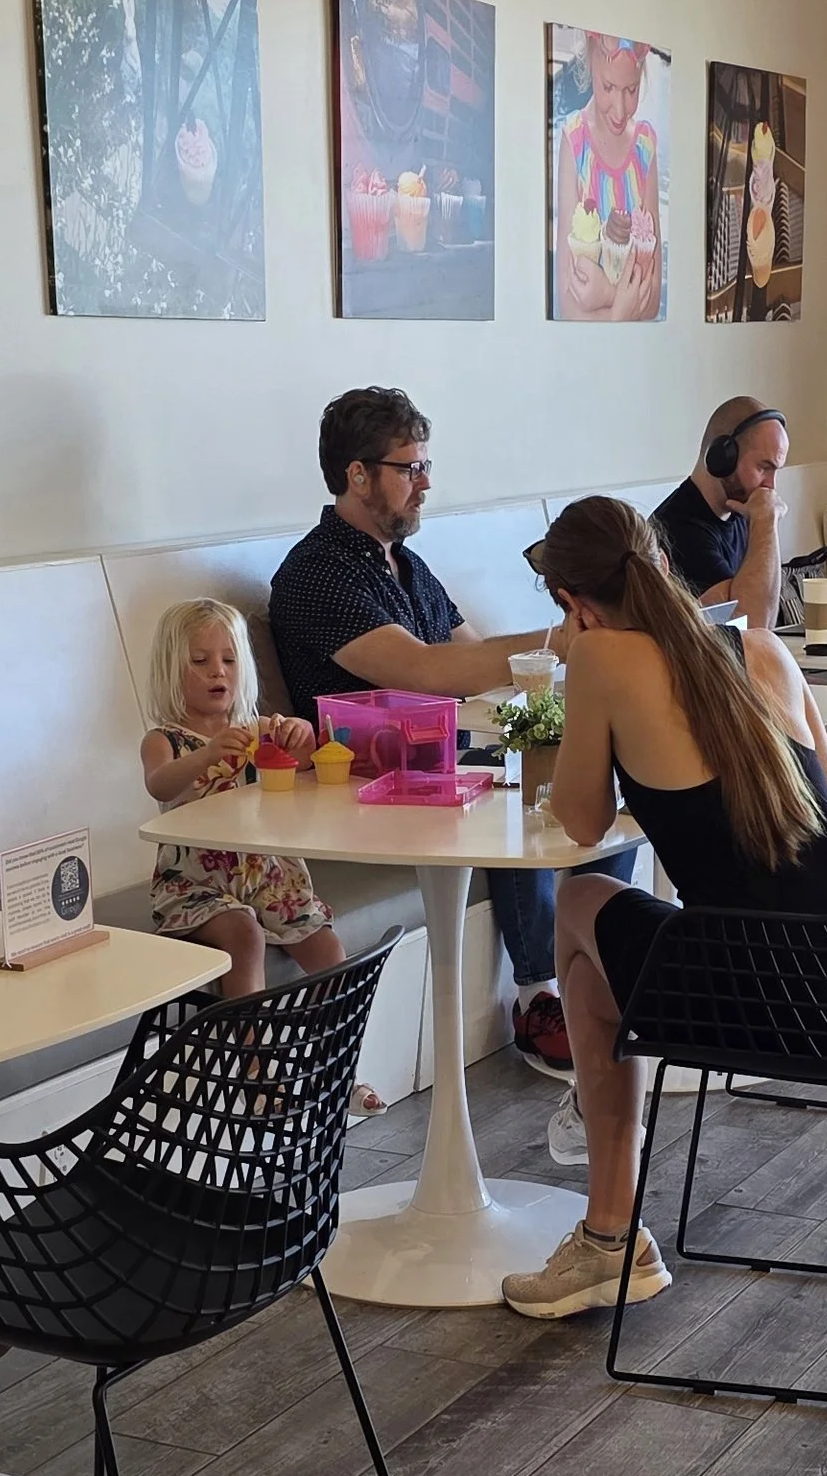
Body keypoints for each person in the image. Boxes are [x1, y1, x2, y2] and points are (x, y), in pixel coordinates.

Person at [501, 499, 827, 1321]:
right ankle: (605, 1188)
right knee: (599, 966)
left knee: (579, 901)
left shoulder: (599, 657)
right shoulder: (764, 647)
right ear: (660, 561)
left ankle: (607, 1225)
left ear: (571, 600)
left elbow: (584, 821)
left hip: (774, 1000)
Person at [269, 386, 605, 1077]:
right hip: (364, 780)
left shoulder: (405, 564)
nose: (425, 483)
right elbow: (427, 669)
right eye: (410, 468)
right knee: (510, 777)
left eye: (426, 465)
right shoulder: (315, 575)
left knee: (592, 757)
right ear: (357, 474)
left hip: (436, 756)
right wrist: (568, 638)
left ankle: (597, 977)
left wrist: (556, 684)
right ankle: (538, 993)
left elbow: (477, 658)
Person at [141, 599, 352, 1000]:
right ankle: (248, 1054)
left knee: (327, 947)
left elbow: (307, 761)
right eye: (200, 661)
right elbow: (159, 784)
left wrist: (300, 732)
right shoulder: (164, 740)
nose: (217, 671)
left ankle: (332, 1049)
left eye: (229, 660)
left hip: (268, 875)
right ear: (171, 671)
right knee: (244, 932)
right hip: (195, 882)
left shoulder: (256, 729)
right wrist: (206, 755)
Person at [552, 35, 663, 323]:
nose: (620, 108)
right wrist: (620, 310)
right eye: (608, 87)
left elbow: (652, 300)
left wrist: (606, 295)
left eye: (631, 89)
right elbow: (566, 301)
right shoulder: (574, 141)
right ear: (590, 66)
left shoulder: (645, 147)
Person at [652, 398, 788, 626]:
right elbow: (753, 629)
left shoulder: (742, 514)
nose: (771, 486)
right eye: (763, 467)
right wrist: (766, 520)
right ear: (721, 457)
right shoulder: (678, 531)